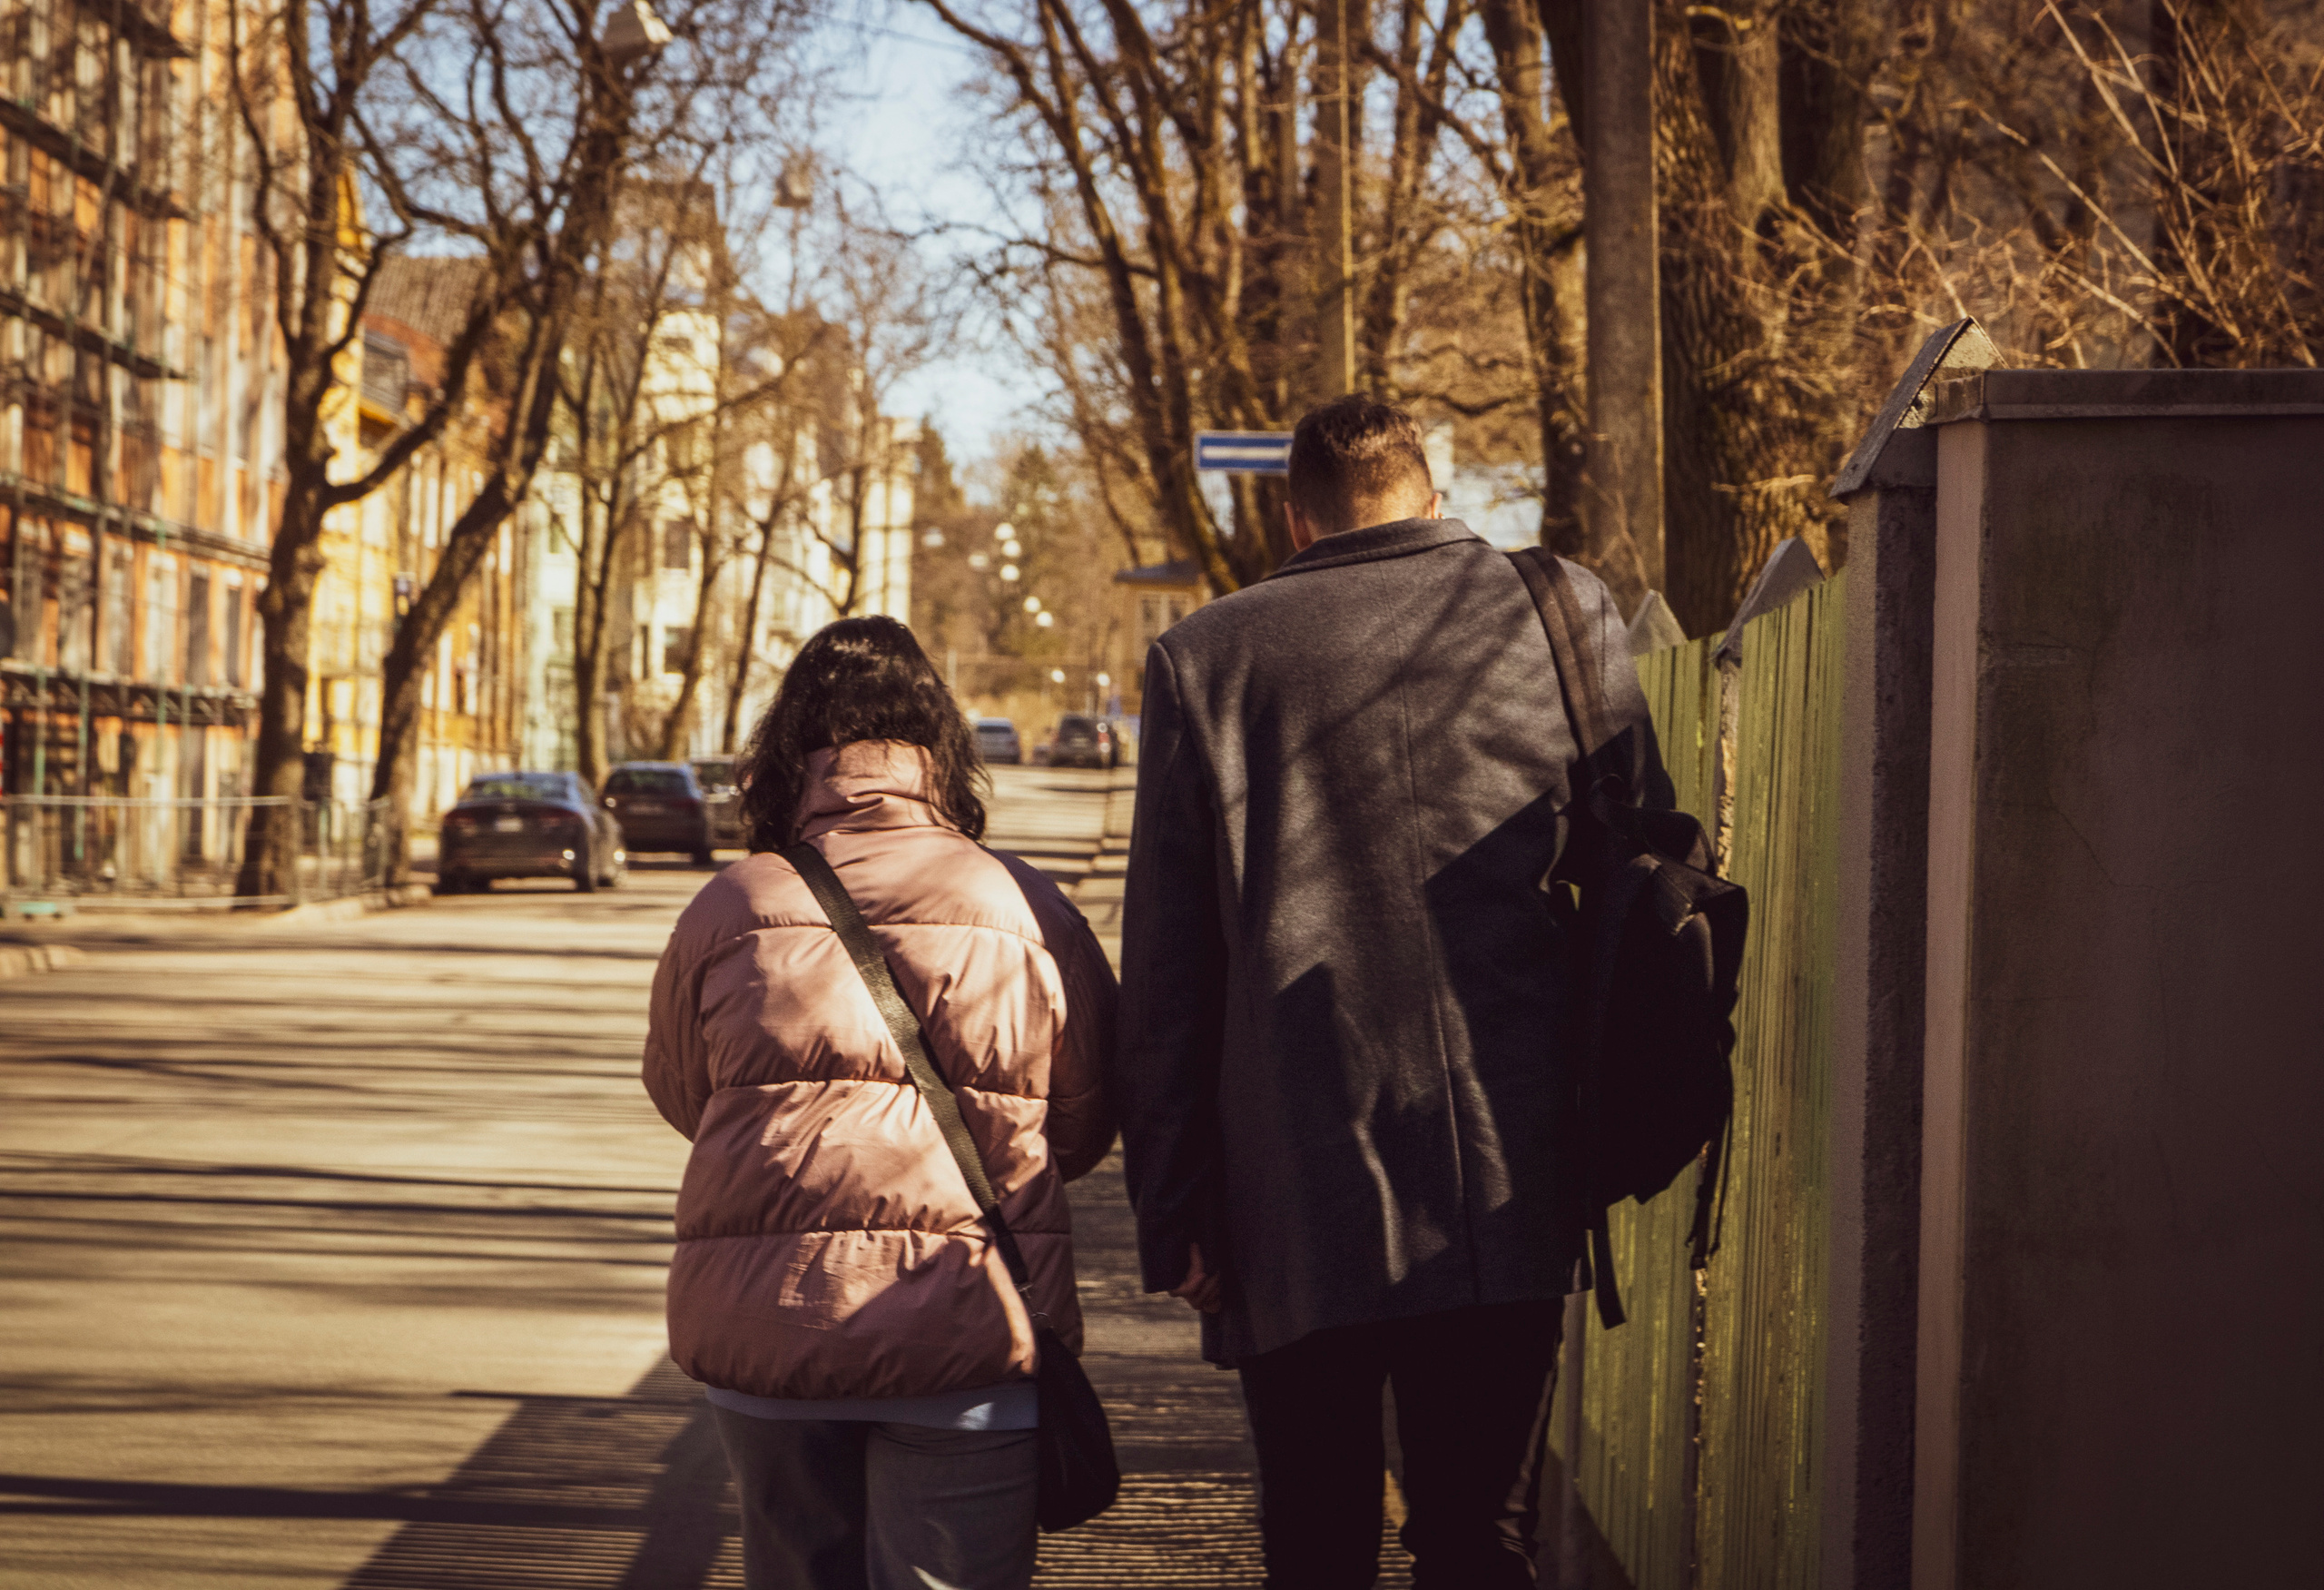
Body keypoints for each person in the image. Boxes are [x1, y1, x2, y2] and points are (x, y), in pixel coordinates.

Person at [1112, 396, 1664, 1589]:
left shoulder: (1204, 656)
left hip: (1286, 1185)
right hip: (1504, 1166)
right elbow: (1643, 873)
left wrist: (1175, 1205)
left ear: (1295, 512)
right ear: (1433, 485)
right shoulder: (1558, 613)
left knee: (1319, 1539)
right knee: (1479, 1533)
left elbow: (1166, 962)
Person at [643, 616, 1118, 1590]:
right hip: (967, 1331)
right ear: (940, 749)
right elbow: (1081, 1120)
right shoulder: (1026, 907)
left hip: (772, 1333)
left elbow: (689, 1096)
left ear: (786, 753)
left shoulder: (730, 906)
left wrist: (797, 1152)